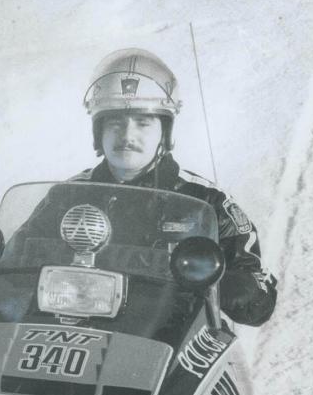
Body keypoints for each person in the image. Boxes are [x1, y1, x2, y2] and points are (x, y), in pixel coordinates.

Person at [74, 48, 277, 328]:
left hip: (176, 339)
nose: (127, 135)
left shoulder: (206, 200)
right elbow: (15, 262)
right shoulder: (70, 195)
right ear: (99, 131)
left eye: (143, 123)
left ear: (164, 132)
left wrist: (238, 287)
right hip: (80, 331)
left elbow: (258, 297)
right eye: (115, 122)